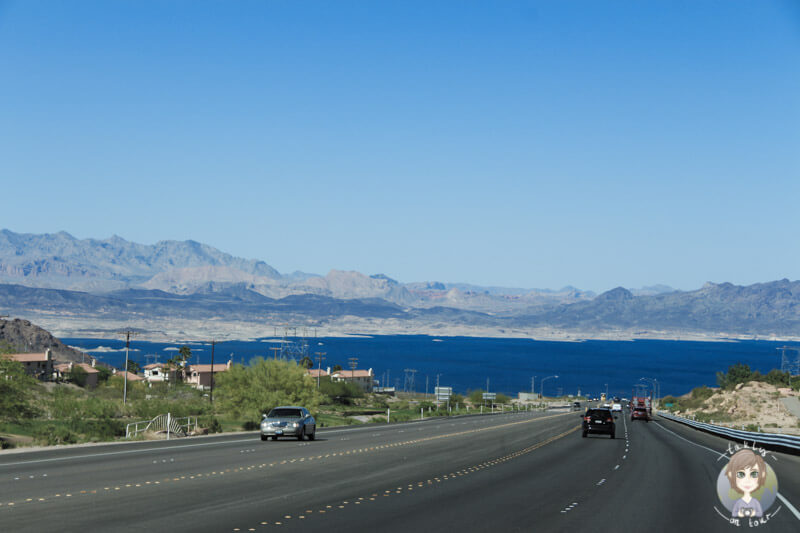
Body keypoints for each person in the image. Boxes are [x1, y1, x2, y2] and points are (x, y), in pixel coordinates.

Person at [725, 449, 767, 518]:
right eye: (741, 474)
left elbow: (760, 513)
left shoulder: (755, 502)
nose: (747, 480)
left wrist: (754, 512)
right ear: (731, 475)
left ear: (762, 475)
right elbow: (734, 513)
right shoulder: (738, 502)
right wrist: (739, 513)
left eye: (754, 474)